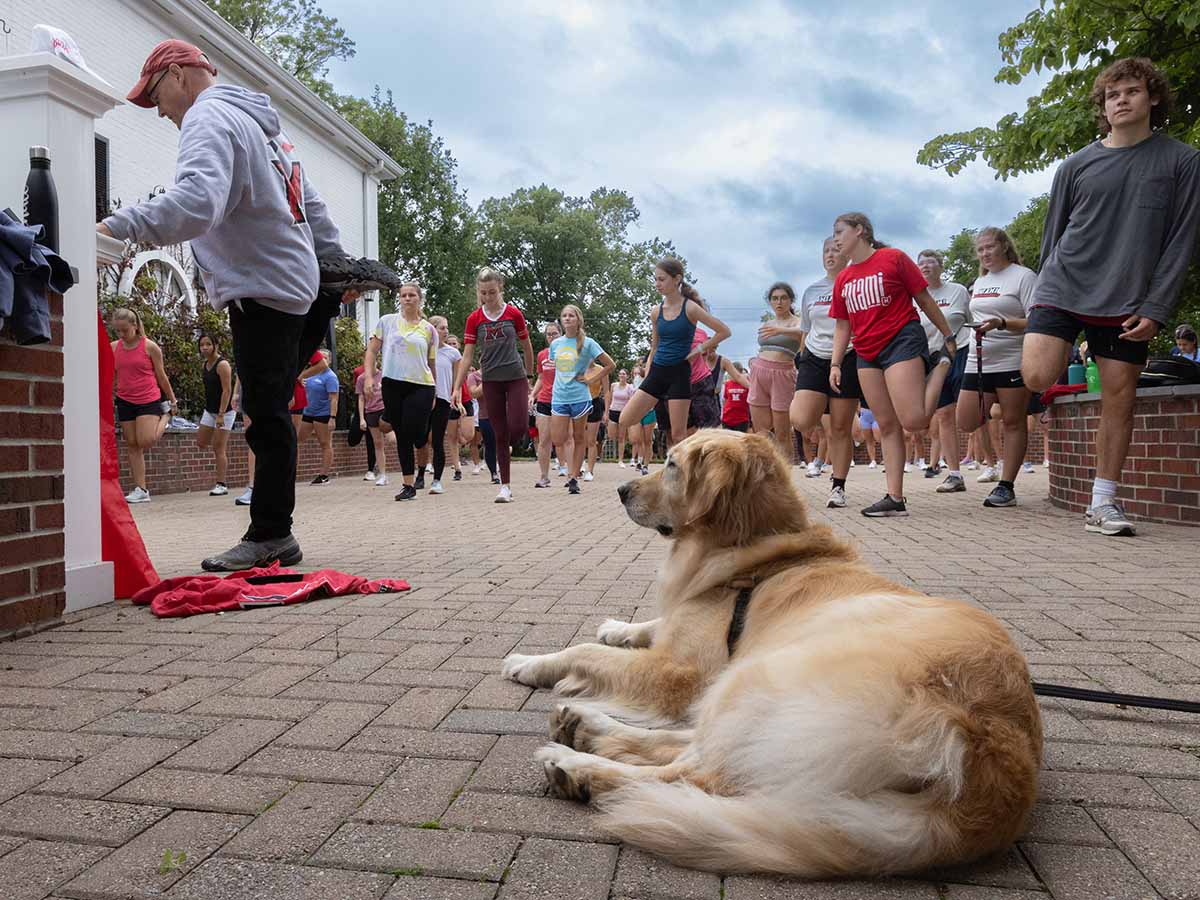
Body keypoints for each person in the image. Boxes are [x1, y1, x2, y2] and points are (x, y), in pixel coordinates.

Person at [98, 39, 358, 570]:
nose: (162, 114)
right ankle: (272, 530)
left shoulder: (207, 118)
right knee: (268, 406)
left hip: (264, 285)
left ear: (176, 75)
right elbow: (312, 206)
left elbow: (196, 204)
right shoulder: (268, 130)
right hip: (299, 285)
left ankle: (271, 535)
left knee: (264, 413)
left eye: (156, 98)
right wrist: (334, 269)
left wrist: (115, 226)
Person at [1022, 57, 1200, 536]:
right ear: (1103, 106)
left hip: (1130, 296)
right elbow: (1052, 237)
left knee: (1119, 398)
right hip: (1064, 283)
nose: (1121, 101)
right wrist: (1042, 285)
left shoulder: (1182, 161)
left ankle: (1103, 502)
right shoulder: (1076, 165)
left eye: (1131, 92)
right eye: (1112, 95)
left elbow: (1181, 239)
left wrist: (1157, 308)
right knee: (1036, 374)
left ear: (1153, 97)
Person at [828, 213, 957, 516]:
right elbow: (842, 326)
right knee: (886, 424)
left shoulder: (893, 258)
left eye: (840, 232)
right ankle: (894, 498)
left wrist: (947, 334)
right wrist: (835, 364)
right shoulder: (844, 279)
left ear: (860, 230)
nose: (835, 239)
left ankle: (940, 366)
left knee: (913, 421)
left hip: (902, 340)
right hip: (866, 352)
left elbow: (924, 299)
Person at [955, 228, 1038, 508]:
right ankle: (996, 411)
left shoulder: (1023, 276)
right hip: (978, 359)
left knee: (1014, 422)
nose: (985, 254)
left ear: (1003, 245)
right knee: (966, 420)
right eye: (980, 250)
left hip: (1012, 358)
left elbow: (1036, 320)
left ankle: (1006, 485)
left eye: (989, 247)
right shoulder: (980, 281)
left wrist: (1002, 323)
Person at [618, 258, 731, 448]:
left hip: (680, 373)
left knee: (679, 435)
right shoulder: (656, 312)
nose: (657, 284)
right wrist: (646, 374)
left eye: (661, 279)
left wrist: (698, 350)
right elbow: (654, 347)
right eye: (655, 279)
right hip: (658, 372)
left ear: (677, 279)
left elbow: (724, 331)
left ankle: (688, 473)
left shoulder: (690, 308)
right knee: (625, 419)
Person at [452, 268, 535, 503]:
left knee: (518, 428)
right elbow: (467, 356)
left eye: (492, 292)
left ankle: (506, 444)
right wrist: (458, 387)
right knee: (499, 434)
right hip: (491, 380)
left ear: (501, 288)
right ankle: (505, 487)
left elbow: (527, 347)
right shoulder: (474, 319)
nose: (488, 297)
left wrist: (529, 376)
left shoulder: (513, 314)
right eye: (484, 293)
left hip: (515, 377)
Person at [790, 237, 861, 508]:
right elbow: (805, 330)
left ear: (847, 253)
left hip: (848, 357)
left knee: (841, 428)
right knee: (801, 418)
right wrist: (800, 357)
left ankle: (838, 487)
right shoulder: (812, 290)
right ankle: (821, 407)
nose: (830, 255)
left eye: (836, 250)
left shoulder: (855, 285)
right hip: (814, 357)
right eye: (826, 251)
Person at [364, 283, 438, 501]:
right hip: (392, 383)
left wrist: (436, 391)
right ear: (400, 299)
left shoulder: (428, 329)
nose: (407, 298)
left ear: (419, 299)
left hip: (422, 384)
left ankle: (405, 423)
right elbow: (372, 351)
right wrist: (369, 376)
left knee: (415, 430)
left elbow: (431, 363)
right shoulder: (387, 322)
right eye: (403, 295)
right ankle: (408, 485)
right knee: (403, 434)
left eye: (412, 295)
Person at [914, 250, 972, 492]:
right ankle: (955, 474)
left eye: (931, 261)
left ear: (941, 266)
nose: (926, 266)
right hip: (934, 358)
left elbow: (960, 321)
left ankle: (991, 464)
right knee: (944, 415)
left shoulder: (957, 290)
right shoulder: (914, 297)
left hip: (961, 351)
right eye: (921, 263)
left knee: (972, 413)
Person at [110, 307, 176, 504]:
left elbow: (161, 375)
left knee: (145, 440)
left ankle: (166, 417)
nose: (122, 334)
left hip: (148, 399)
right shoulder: (114, 347)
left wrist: (172, 401)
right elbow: (112, 375)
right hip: (125, 400)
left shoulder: (150, 347)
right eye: (118, 331)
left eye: (125, 330)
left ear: (135, 326)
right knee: (132, 444)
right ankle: (141, 489)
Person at [549, 305, 615, 494]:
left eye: (571, 316)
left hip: (580, 398)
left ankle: (573, 477)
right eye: (564, 316)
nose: (568, 318)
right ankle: (569, 470)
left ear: (578, 319)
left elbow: (610, 365)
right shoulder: (556, 344)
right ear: (561, 320)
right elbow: (558, 370)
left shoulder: (588, 343)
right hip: (559, 397)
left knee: (579, 438)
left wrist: (591, 379)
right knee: (558, 438)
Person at [752, 282, 804, 459]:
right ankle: (763, 477)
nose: (779, 302)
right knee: (761, 433)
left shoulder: (798, 322)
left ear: (791, 300)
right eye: (774, 298)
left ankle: (785, 477)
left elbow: (804, 333)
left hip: (782, 374)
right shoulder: (769, 322)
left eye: (783, 298)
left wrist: (780, 329)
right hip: (759, 373)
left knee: (782, 433)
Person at [197, 333, 234, 496]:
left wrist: (220, 414)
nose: (204, 348)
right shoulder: (205, 364)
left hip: (224, 412)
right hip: (209, 410)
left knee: (219, 447)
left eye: (208, 344)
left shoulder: (222, 365)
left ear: (215, 346)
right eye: (202, 345)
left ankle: (221, 484)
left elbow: (227, 391)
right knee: (201, 442)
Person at [429, 315, 461, 494]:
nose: (446, 331)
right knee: (420, 439)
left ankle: (436, 480)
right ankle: (419, 474)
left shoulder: (453, 353)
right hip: (424, 398)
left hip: (442, 399)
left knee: (437, 440)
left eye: (447, 328)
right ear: (432, 330)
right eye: (442, 328)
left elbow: (457, 378)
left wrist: (455, 396)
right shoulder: (424, 350)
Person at [531, 322, 564, 488]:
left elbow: (570, 376)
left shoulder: (567, 352)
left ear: (561, 334)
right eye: (548, 334)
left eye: (554, 334)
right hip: (544, 400)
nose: (551, 337)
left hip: (562, 400)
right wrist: (532, 394)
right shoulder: (542, 355)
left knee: (565, 439)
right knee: (544, 440)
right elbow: (540, 377)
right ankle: (544, 476)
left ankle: (570, 475)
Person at [298, 349, 339, 485]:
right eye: (321, 357)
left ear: (330, 361)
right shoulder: (308, 374)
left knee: (325, 443)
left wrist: (332, 418)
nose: (323, 360)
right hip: (308, 412)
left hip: (323, 414)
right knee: (297, 439)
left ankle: (323, 475)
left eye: (326, 358)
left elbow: (334, 399)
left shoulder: (330, 377)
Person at [355, 356, 389, 487]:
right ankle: (383, 474)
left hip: (384, 410)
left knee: (393, 438)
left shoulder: (384, 375)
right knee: (378, 443)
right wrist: (362, 419)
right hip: (370, 412)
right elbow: (361, 399)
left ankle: (407, 469)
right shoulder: (361, 379)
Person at [582, 362, 612, 481]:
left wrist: (606, 411)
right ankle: (580, 465)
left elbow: (606, 391)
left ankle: (590, 470)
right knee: (579, 438)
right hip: (580, 403)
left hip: (594, 403)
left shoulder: (601, 370)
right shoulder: (578, 366)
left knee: (591, 440)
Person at [609, 369, 636, 464]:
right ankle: (611, 456)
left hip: (623, 412)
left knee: (621, 437)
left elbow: (632, 400)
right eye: (620, 373)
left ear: (627, 376)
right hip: (613, 411)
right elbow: (610, 398)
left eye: (624, 374)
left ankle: (620, 459)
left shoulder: (630, 387)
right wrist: (607, 410)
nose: (622, 375)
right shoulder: (614, 385)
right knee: (611, 435)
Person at [721, 361, 752, 432]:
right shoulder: (727, 384)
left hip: (742, 419)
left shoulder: (746, 384)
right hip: (727, 418)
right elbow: (725, 400)